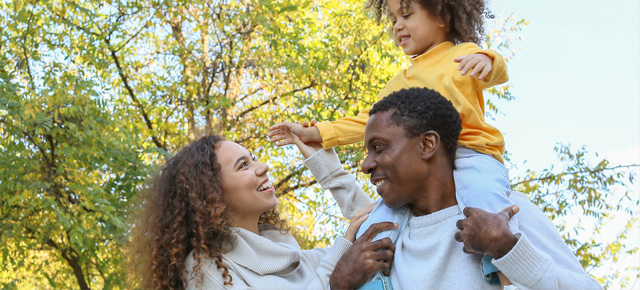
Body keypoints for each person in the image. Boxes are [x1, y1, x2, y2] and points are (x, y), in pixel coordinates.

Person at [269, 0, 513, 285]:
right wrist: (319, 133)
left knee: (487, 202)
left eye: (407, 15)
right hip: (422, 167)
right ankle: (375, 282)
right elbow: (366, 122)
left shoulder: (462, 55)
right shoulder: (398, 83)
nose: (398, 25)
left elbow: (497, 70)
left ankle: (499, 268)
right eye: (394, 18)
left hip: (471, 152)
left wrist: (488, 61)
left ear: (442, 17)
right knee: (373, 224)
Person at [290, 87, 600, 289]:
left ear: (427, 145)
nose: (366, 164)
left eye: (379, 147)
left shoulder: (507, 217)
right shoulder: (378, 242)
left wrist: (507, 249)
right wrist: (339, 285)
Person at [127, 135, 397, 289]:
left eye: (253, 158)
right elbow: (336, 278)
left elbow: (386, 227)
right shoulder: (206, 271)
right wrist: (336, 282)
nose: (263, 167)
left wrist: (327, 168)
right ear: (211, 195)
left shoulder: (295, 257)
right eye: (243, 165)